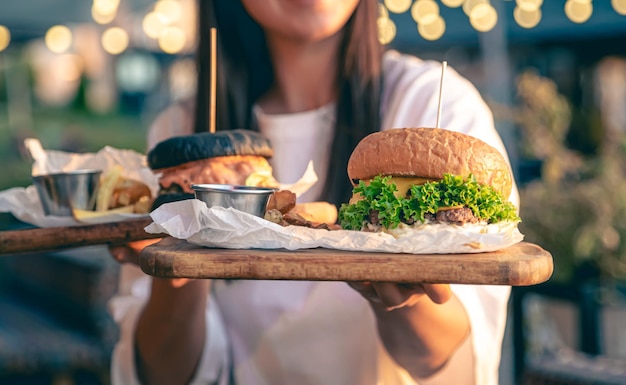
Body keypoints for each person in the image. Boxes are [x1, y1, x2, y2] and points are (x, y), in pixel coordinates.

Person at [108, 1, 519, 384]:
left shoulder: (432, 102)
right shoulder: (183, 132)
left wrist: (401, 297)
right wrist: (182, 255)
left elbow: (452, 363)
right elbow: (163, 372)